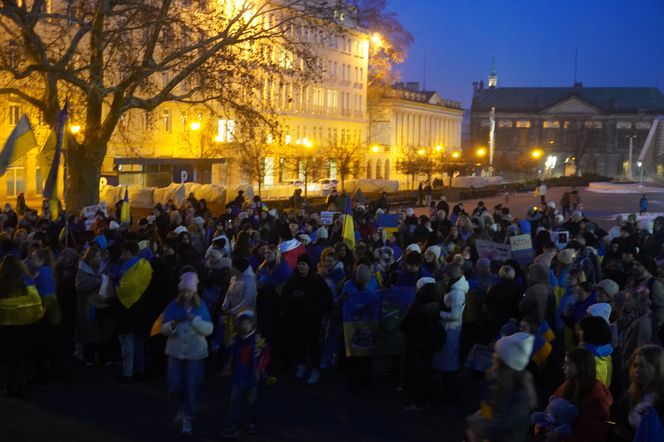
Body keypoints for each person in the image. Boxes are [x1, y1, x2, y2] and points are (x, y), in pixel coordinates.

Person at [160, 271, 213, 436]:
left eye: (189, 291)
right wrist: (171, 326)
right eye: (183, 291)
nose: (186, 294)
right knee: (174, 385)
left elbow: (209, 329)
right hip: (175, 351)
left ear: (194, 291)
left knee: (191, 385)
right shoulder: (173, 306)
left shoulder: (201, 306)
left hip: (195, 352)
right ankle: (183, 406)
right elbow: (163, 328)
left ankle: (188, 417)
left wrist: (194, 320)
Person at [466, 332, 537, 442]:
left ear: (505, 362)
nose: (493, 356)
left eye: (496, 354)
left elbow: (499, 426)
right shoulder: (502, 381)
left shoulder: (521, 395)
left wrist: (476, 425)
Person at [282, 253, 332, 384]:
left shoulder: (316, 280)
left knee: (313, 344)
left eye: (303, 264)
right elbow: (285, 296)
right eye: (299, 264)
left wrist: (318, 309)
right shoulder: (292, 280)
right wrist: (292, 299)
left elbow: (327, 298)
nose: (301, 267)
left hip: (312, 319)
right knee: (299, 343)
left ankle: (315, 369)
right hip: (296, 318)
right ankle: (301, 364)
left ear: (309, 266)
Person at [221, 310, 271, 438]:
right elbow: (230, 354)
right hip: (238, 374)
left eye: (248, 323)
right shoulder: (235, 338)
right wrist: (228, 364)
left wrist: (261, 368)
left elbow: (266, 354)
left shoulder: (258, 339)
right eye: (242, 323)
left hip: (253, 375)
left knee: (252, 401)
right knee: (235, 401)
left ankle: (252, 422)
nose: (245, 326)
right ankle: (234, 425)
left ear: (253, 324)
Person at [0, 256, 45, 397]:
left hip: (5, 326)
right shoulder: (27, 281)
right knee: (21, 356)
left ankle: (7, 385)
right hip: (25, 326)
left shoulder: (1, 282)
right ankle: (20, 384)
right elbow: (36, 304)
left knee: (7, 357)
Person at [547, 347, 613, 441]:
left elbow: (593, 437)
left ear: (581, 366)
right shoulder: (566, 387)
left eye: (568, 364)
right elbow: (550, 411)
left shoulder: (598, 400)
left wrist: (561, 439)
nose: (563, 367)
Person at [114, 240, 154, 383]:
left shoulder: (125, 268)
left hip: (127, 309)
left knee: (127, 343)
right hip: (142, 310)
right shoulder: (145, 266)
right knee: (139, 342)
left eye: (124, 252)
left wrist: (116, 286)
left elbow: (124, 288)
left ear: (127, 252)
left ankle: (127, 373)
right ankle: (140, 370)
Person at [400, 280, 442, 411]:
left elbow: (404, 325)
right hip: (428, 345)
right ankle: (425, 400)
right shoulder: (436, 307)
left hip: (414, 344)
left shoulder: (416, 307)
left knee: (413, 374)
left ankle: (414, 402)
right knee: (426, 373)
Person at [614, 345, 664, 441]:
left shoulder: (661, 402)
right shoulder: (628, 398)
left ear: (657, 368)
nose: (636, 370)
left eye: (643, 366)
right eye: (635, 365)